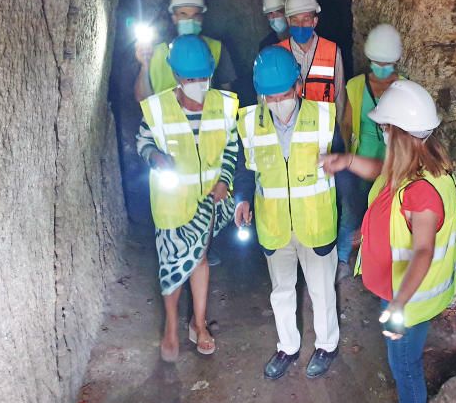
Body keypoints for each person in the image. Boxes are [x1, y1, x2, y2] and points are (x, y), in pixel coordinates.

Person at [320, 80, 456, 403]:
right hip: (397, 294)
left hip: (409, 301)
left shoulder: (423, 193)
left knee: (406, 366)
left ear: (399, 134)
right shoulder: (412, 168)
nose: (381, 133)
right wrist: (346, 162)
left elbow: (423, 251)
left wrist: (398, 305)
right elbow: (380, 174)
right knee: (402, 365)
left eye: (385, 128)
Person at [234, 46, 341, 380]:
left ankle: (326, 345)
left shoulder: (324, 117)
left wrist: (348, 220)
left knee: (322, 289)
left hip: (316, 221)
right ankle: (287, 347)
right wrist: (242, 199)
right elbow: (245, 168)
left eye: (283, 94)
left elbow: (343, 168)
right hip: (275, 223)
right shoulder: (250, 123)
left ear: (298, 87)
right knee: (281, 291)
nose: (277, 103)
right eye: (269, 97)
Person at [136, 35, 240, 362]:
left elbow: (232, 147)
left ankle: (198, 323)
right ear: (178, 77)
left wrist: (224, 179)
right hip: (171, 202)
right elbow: (142, 143)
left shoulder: (223, 104)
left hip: (208, 198)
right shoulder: (158, 109)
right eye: (191, 79)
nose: (198, 84)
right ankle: (170, 327)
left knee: (199, 259)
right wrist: (155, 157)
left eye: (203, 77)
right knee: (171, 266)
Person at [335, 23, 403, 283]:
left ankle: (379, 268)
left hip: (392, 164)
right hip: (361, 161)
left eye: (387, 63)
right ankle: (342, 259)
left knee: (387, 218)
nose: (382, 67)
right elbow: (347, 125)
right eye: (377, 62)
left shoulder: (404, 87)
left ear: (396, 60)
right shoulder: (355, 86)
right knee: (352, 212)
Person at [134, 0, 236, 102]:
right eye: (183, 14)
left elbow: (228, 96)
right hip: (162, 118)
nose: (190, 20)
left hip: (204, 117)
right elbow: (142, 99)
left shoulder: (217, 48)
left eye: (195, 15)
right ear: (174, 18)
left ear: (202, 18)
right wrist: (145, 66)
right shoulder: (153, 51)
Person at [275, 0, 346, 120]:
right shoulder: (277, 53)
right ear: (288, 22)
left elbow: (340, 99)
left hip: (324, 133)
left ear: (314, 21)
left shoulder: (332, 51)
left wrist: (339, 134)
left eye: (306, 19)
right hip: (292, 133)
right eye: (295, 20)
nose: (300, 25)